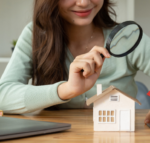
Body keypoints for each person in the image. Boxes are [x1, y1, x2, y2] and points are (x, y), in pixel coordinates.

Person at [0, 0, 150, 124]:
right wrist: (67, 89)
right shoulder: (35, 34)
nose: (83, 3)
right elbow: (3, 95)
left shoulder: (126, 37)